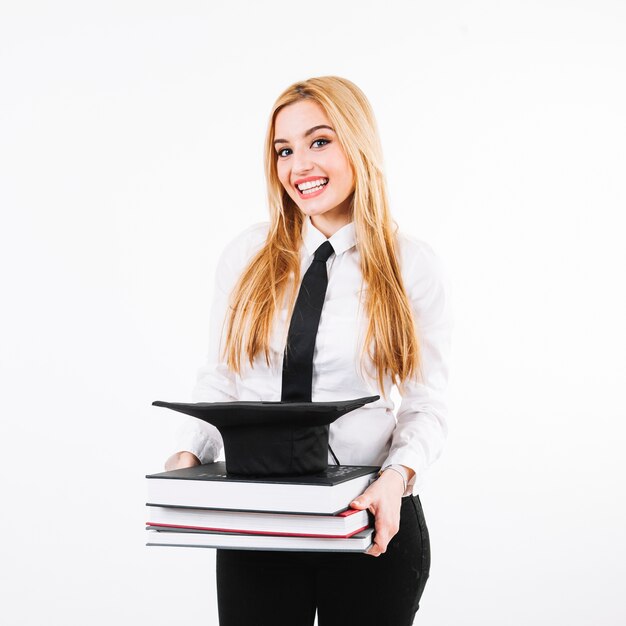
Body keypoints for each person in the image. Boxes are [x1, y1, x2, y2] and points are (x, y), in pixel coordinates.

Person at [164, 75, 452, 626]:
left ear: (357, 144)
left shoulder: (410, 265)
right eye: (284, 150)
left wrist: (396, 480)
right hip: (259, 521)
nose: (300, 166)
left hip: (370, 521)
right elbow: (221, 378)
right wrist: (188, 456)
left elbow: (427, 403)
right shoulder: (246, 255)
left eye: (320, 141)